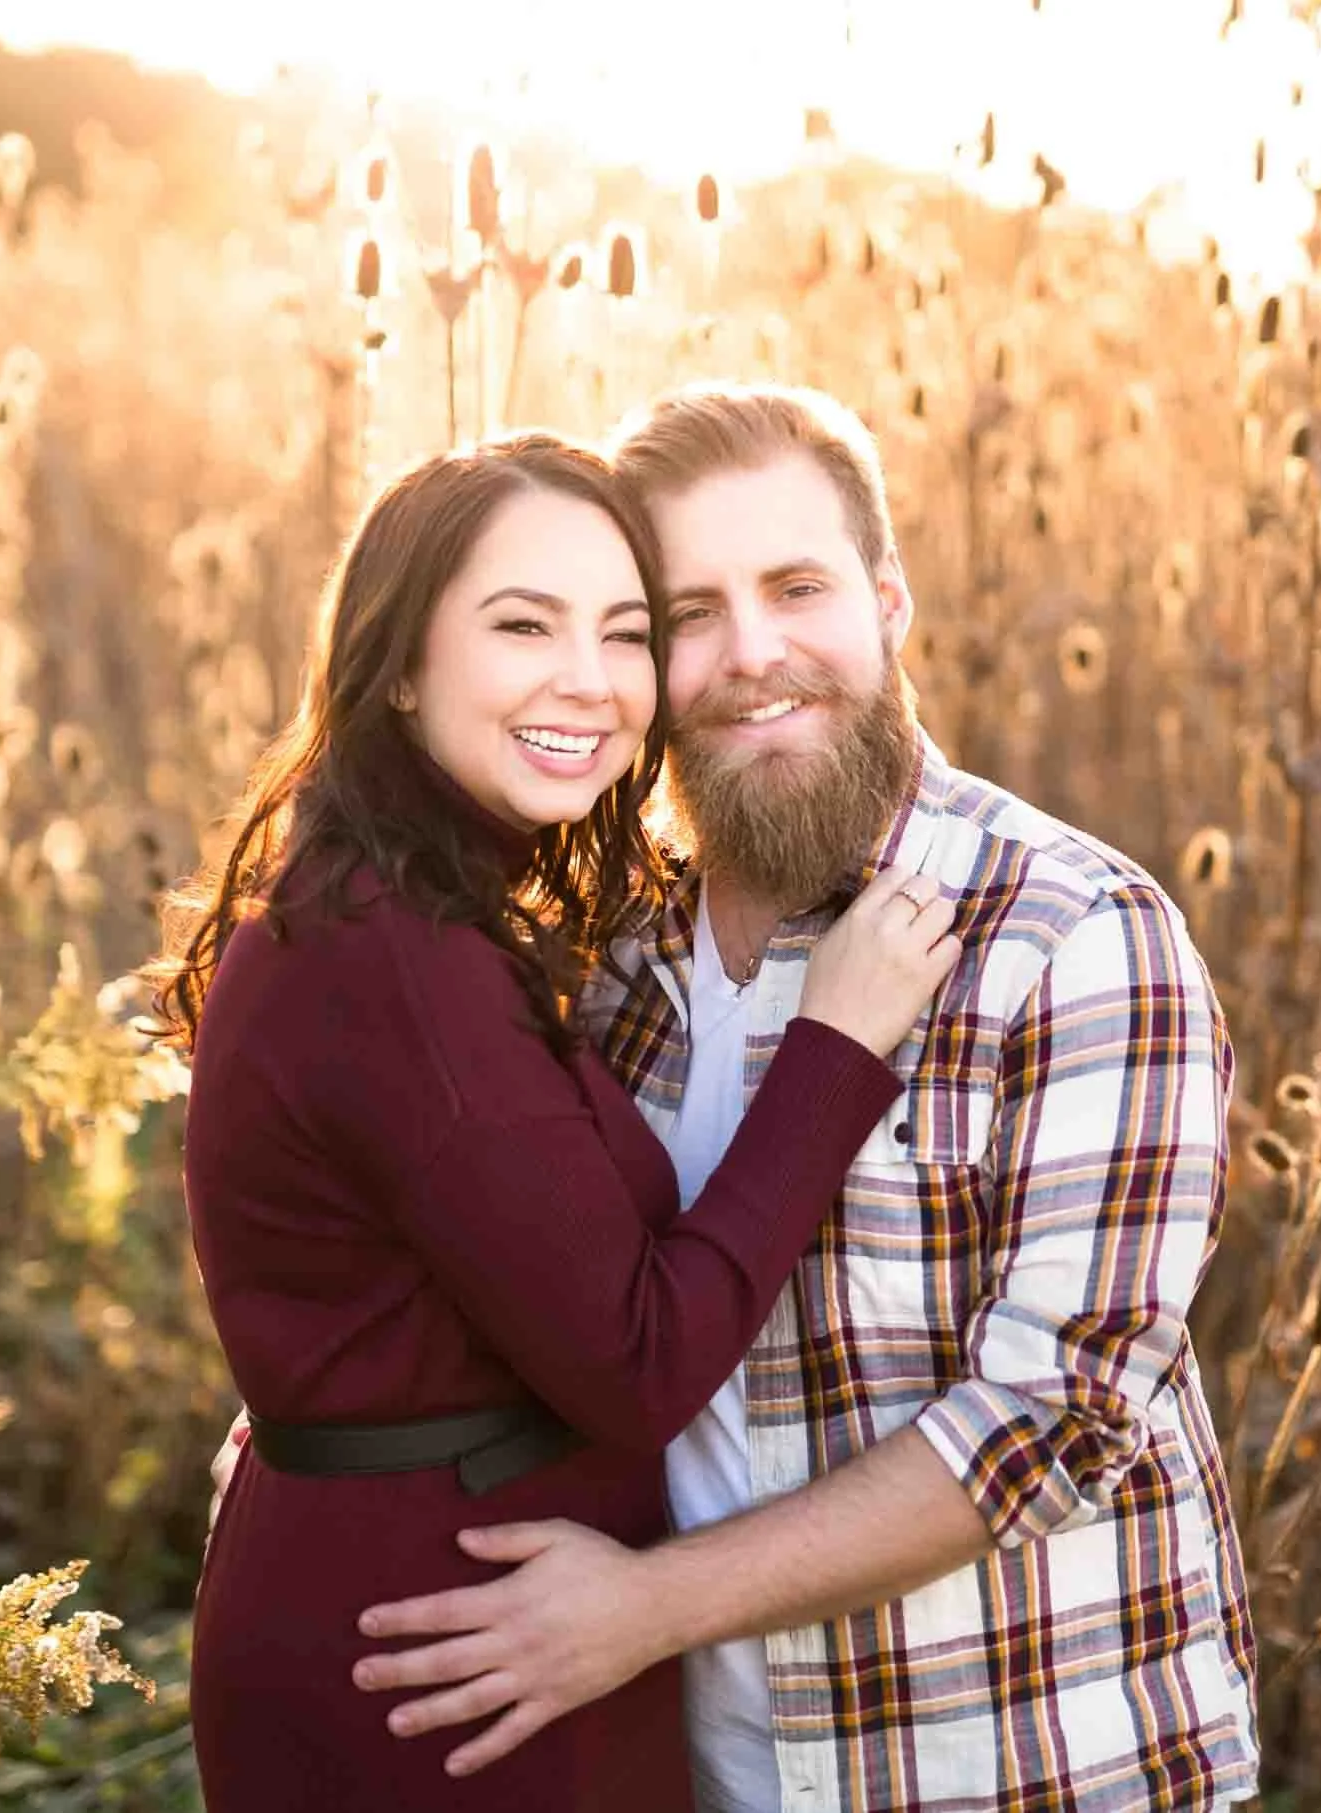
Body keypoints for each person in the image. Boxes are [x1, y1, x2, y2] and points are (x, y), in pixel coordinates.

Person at [344, 385, 1262, 1811]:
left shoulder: (1071, 938)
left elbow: (1053, 1418)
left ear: (889, 603)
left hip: (1019, 1768)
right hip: (689, 1766)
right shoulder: (604, 953)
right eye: (691, 611)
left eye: (797, 588)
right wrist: (304, 1462)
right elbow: (504, 1281)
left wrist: (644, 1607)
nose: (754, 653)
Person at [154, 431, 961, 1812]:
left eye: (628, 631)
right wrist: (831, 1052)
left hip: (467, 1619)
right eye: (523, 625)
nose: (588, 680)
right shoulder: (395, 957)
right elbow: (639, 1361)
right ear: (400, 663)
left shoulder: (415, 910)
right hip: (455, 1671)